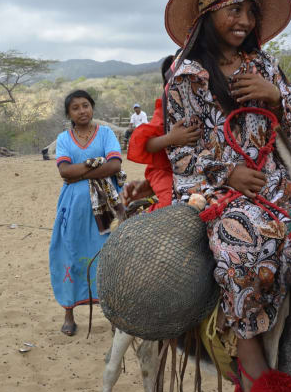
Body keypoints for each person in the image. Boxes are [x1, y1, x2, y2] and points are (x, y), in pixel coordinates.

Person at [163, 0, 291, 392]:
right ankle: (248, 348)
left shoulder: (265, 65)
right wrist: (229, 174)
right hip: (216, 187)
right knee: (241, 243)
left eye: (249, 12)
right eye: (232, 10)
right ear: (208, 15)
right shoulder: (186, 76)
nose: (243, 20)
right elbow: (182, 154)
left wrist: (276, 97)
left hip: (277, 180)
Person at [49, 90, 123, 336]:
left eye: (86, 105)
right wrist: (95, 166)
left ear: (92, 107)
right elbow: (64, 172)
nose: (82, 111)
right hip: (74, 208)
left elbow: (114, 165)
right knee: (69, 253)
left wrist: (81, 173)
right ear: (69, 114)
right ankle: (69, 315)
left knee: (107, 256)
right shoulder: (64, 139)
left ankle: (113, 314)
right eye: (76, 108)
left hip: (106, 208)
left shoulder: (106, 133)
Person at [124, 56, 201, 210]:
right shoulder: (165, 109)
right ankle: (143, 217)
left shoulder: (200, 105)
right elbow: (147, 143)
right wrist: (171, 138)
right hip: (163, 170)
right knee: (169, 204)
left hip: (190, 169)